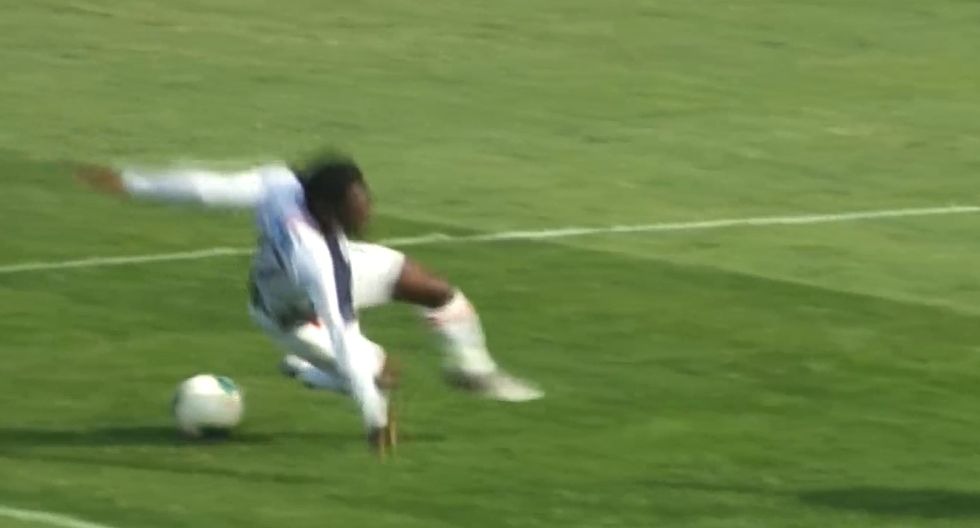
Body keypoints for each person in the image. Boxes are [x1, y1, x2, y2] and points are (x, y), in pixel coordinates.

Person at [77, 153, 543, 456]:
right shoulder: (314, 256)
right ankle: (308, 372)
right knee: (380, 375)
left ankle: (473, 370)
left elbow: (206, 190)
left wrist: (133, 183)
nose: (366, 210)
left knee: (434, 290)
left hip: (328, 277)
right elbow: (340, 332)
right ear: (325, 206)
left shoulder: (281, 185)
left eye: (364, 197)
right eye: (355, 205)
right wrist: (374, 415)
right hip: (290, 317)